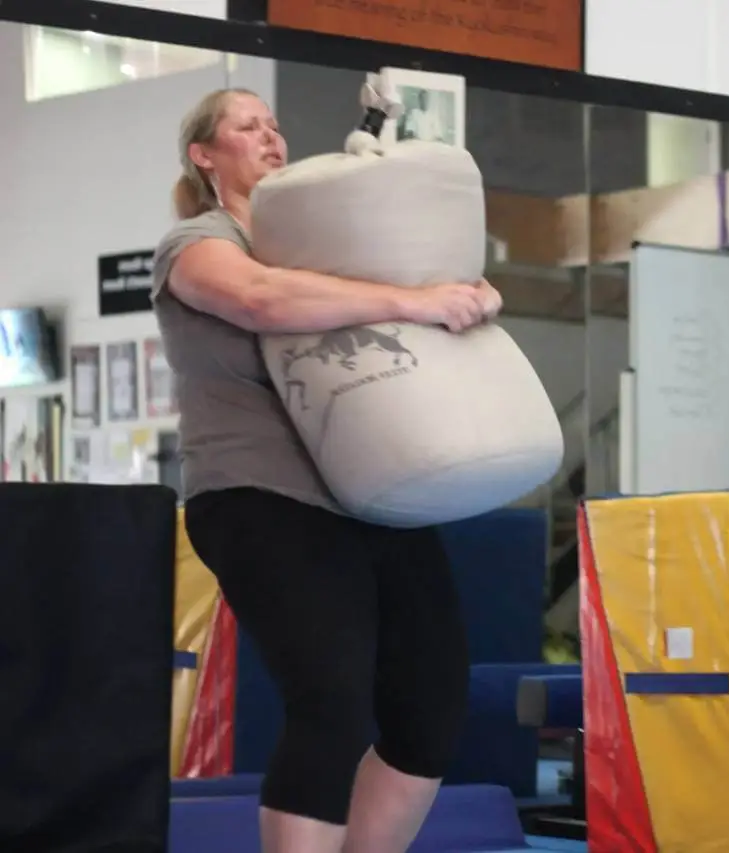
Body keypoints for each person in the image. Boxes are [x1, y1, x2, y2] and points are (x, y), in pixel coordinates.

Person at [152, 88, 501, 853]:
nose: (271, 137)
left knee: (432, 712)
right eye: (248, 127)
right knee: (333, 706)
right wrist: (418, 299)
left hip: (370, 493)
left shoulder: (321, 250)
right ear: (204, 155)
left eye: (275, 124)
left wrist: (467, 294)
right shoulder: (194, 245)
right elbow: (263, 299)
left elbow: (405, 284)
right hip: (257, 496)